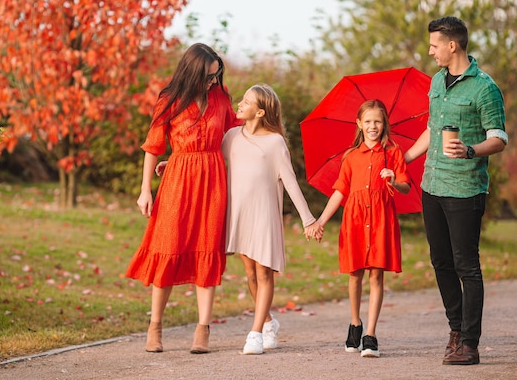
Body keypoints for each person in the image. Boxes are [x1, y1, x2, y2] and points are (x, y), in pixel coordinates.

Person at [125, 43, 242, 354]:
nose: (212, 82)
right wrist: (145, 189)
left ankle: (202, 329)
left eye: (216, 76)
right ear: (192, 73)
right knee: (168, 246)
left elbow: (236, 134)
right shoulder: (169, 100)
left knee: (207, 248)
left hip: (213, 179)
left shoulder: (221, 97)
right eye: (207, 77)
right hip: (177, 180)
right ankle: (155, 326)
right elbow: (153, 145)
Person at [404, 16, 507, 365]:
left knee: (467, 266)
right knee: (441, 261)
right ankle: (455, 329)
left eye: (434, 45)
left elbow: (499, 138)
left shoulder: (484, 88)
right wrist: (403, 157)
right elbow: (432, 130)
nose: (430, 51)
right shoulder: (436, 81)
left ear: (453, 45)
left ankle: (470, 342)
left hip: (465, 189)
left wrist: (470, 149)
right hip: (432, 185)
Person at [222, 84, 323, 355]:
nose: (240, 104)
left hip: (264, 216)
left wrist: (308, 219)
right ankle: (267, 321)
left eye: (247, 102)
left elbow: (290, 182)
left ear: (260, 111)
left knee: (264, 272)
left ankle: (254, 333)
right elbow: (211, 164)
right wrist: (170, 165)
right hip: (239, 215)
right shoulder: (231, 136)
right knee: (250, 275)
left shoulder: (275, 142)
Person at [315, 99, 411, 358]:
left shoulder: (393, 153)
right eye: (367, 121)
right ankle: (355, 324)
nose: (373, 126)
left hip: (381, 219)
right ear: (359, 123)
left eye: (377, 121)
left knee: (376, 275)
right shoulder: (350, 157)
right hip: (355, 220)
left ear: (384, 124)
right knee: (355, 274)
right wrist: (320, 221)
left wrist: (393, 179)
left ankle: (370, 334)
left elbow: (406, 186)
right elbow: (339, 192)